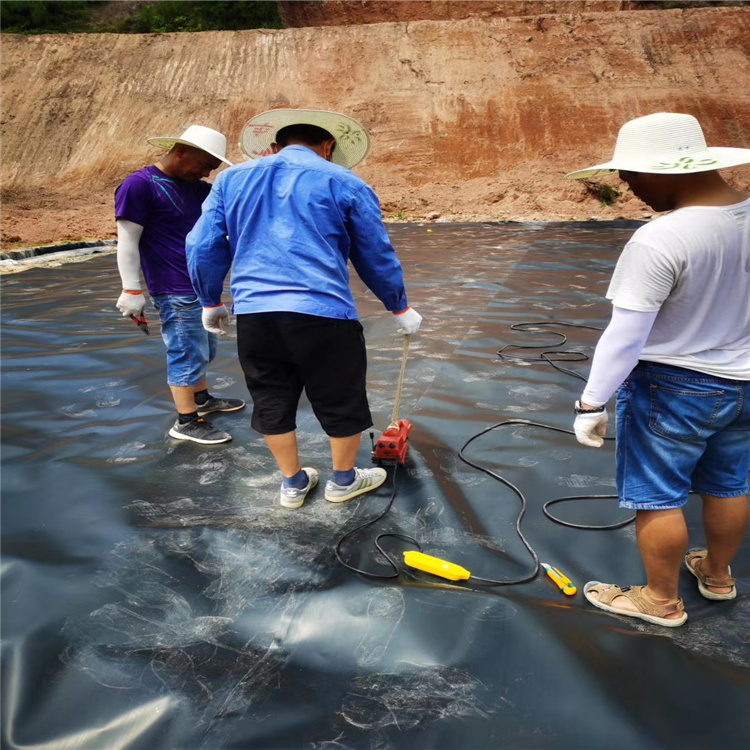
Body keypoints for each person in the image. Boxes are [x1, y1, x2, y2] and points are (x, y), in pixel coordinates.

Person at [566, 112, 750, 627]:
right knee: (729, 484)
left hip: (676, 385)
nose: (629, 190)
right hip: (746, 383)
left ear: (666, 171)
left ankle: (660, 600)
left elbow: (626, 336)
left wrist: (591, 402)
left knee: (657, 495)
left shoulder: (661, 239)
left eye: (632, 178)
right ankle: (717, 575)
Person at [186, 109, 423, 508]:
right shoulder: (345, 181)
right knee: (339, 397)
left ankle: (293, 484)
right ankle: (343, 481)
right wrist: (398, 306)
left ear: (275, 147)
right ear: (328, 147)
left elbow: (202, 245)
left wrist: (210, 300)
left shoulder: (230, 179)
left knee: (272, 397)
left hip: (256, 315)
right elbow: (374, 253)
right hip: (324, 312)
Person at [114, 125, 246, 445]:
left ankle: (201, 398)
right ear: (181, 150)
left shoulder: (199, 189)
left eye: (211, 169)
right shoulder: (140, 185)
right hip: (172, 284)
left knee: (204, 347)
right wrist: (131, 289)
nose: (205, 173)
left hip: (201, 285)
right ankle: (186, 420)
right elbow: (128, 240)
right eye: (203, 165)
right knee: (186, 350)